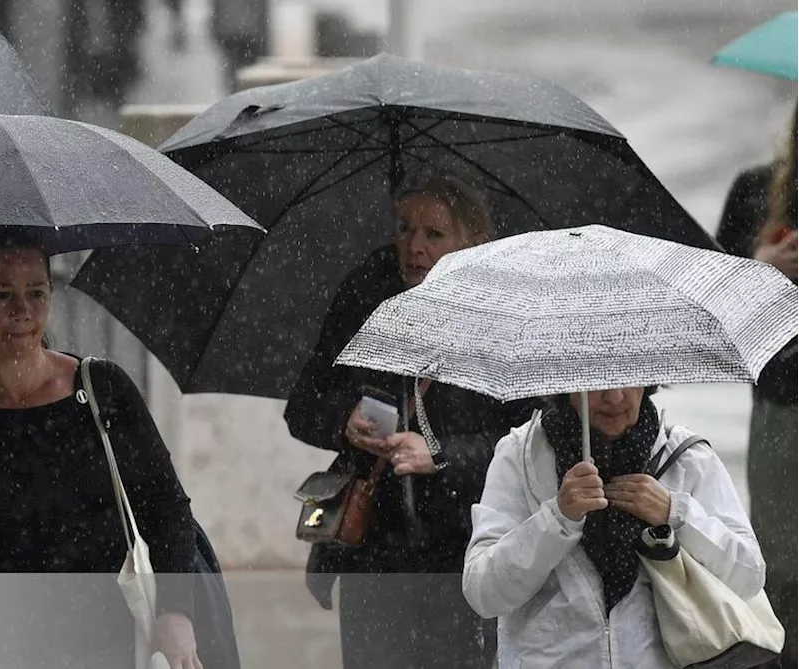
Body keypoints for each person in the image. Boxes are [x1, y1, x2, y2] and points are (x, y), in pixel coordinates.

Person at [0, 226, 202, 668]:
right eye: (1, 295)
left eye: (36, 293)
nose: (22, 311)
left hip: (106, 644)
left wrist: (175, 611)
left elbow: (167, 508)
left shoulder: (103, 392)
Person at [285, 164, 534, 668]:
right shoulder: (365, 293)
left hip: (466, 549)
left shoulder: (505, 314)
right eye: (405, 228)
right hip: (372, 549)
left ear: (476, 240)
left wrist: (440, 456)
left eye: (434, 233)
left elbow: (532, 444)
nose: (414, 246)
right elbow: (304, 406)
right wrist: (345, 419)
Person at [462, 387, 764, 667]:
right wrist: (557, 518)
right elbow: (483, 593)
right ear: (567, 383)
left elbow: (749, 576)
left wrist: (676, 513)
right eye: (597, 385)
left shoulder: (686, 457)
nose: (615, 397)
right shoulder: (519, 455)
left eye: (630, 382)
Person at [718, 111, 799, 668]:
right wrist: (758, 267)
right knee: (784, 571)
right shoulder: (755, 191)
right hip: (782, 406)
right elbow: (710, 298)